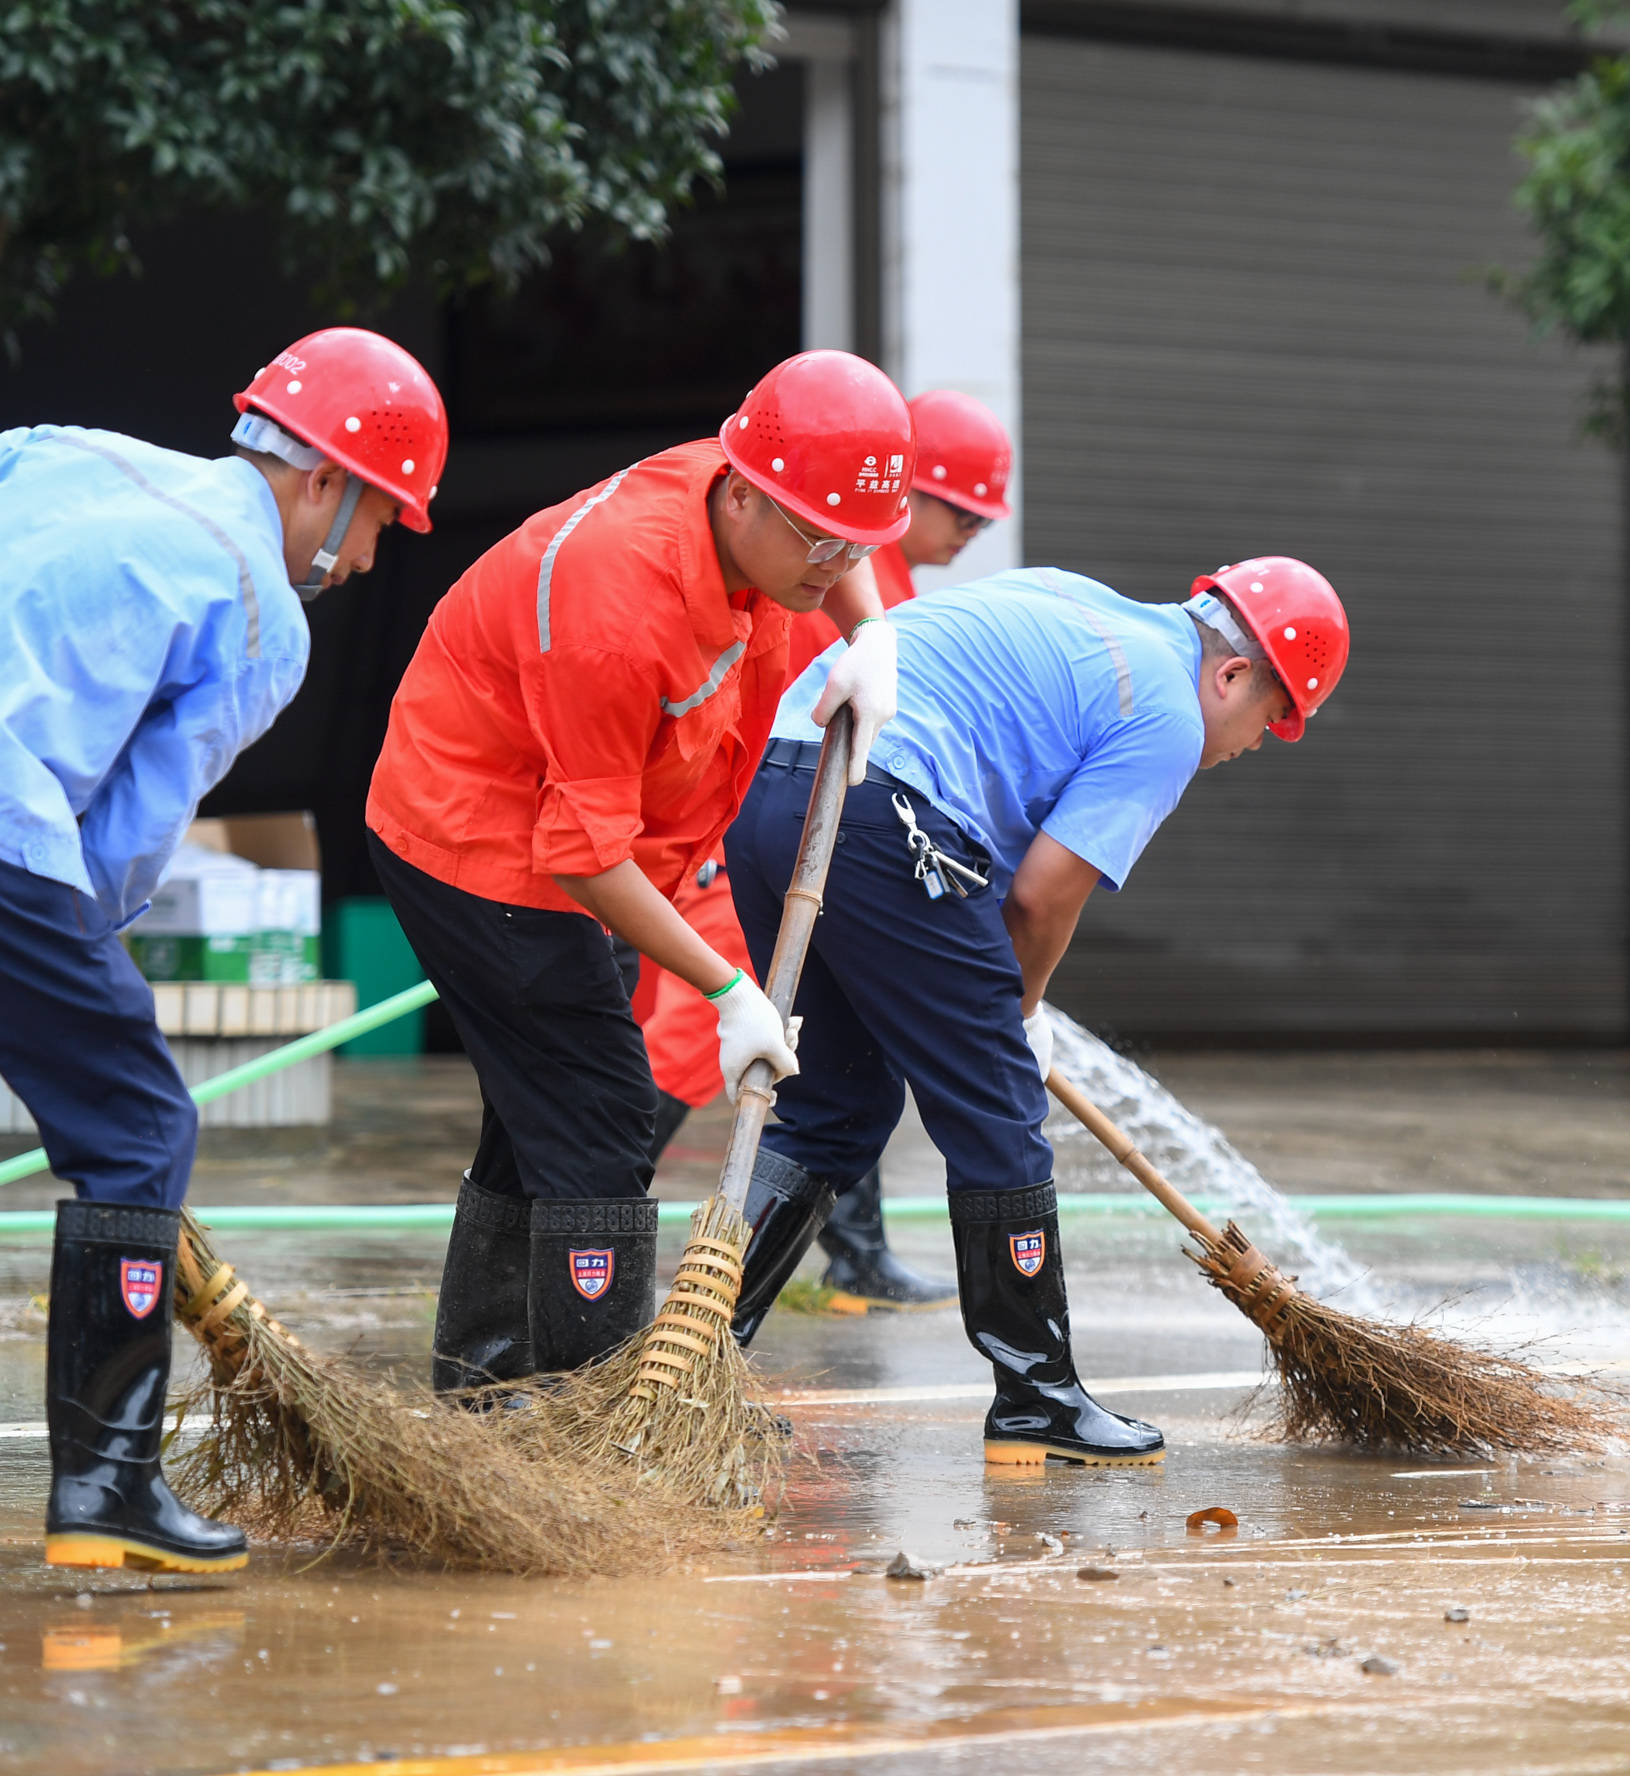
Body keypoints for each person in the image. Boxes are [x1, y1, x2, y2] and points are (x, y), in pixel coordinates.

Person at [0, 328, 445, 1579]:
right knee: (138, 1128)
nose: (373, 555)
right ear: (325, 481)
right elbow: (127, 837)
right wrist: (69, 966)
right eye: (385, 520)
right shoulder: (262, 611)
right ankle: (107, 1491)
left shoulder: (73, 452)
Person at [364, 350, 908, 1403]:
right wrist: (727, 987)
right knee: (604, 1110)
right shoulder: (620, 605)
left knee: (549, 1104)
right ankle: (591, 1412)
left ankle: (481, 1385)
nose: (833, 560)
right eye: (816, 539)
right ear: (742, 488)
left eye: (857, 545)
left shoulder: (769, 500)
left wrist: (869, 627)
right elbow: (581, 854)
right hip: (478, 835)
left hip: (586, 834)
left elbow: (832, 532)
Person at [720, 557, 1349, 1465]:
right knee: (999, 1114)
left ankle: (696, 1359)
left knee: (836, 1106)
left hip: (781, 787)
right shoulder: (1169, 713)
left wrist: (998, 1007)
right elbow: (1041, 898)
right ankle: (1037, 1396)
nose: (1256, 741)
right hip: (886, 811)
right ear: (1234, 674)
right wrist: (1017, 1012)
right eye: (1270, 718)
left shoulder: (1076, 600)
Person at [633, 389, 1013, 1310]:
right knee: (692, 1041)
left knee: (844, 1041)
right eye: (960, 508)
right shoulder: (820, 565)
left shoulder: (887, 597)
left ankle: (855, 1251)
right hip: (759, 831)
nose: (970, 531)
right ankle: (593, 1212)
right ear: (908, 494)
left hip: (813, 840)